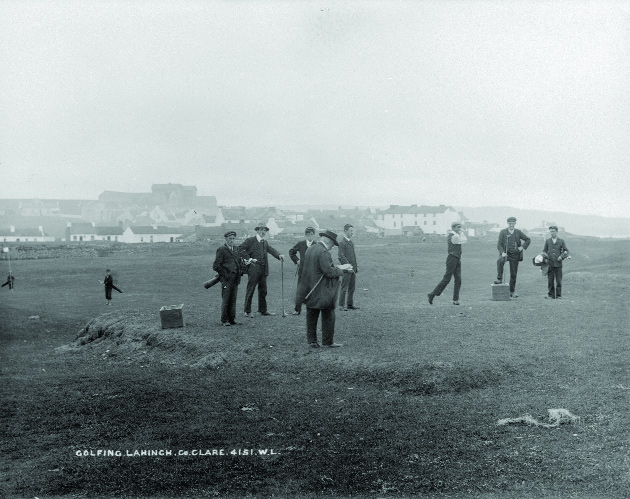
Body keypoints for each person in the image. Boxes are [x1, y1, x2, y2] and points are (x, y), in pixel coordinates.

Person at [296, 230, 353, 348]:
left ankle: (312, 341)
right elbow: (329, 272)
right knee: (328, 314)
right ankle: (328, 341)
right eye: (332, 244)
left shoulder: (311, 249)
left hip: (309, 288)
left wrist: (335, 267)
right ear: (328, 241)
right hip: (322, 289)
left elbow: (318, 268)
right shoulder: (323, 252)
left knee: (311, 314)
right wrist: (344, 270)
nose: (332, 247)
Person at [239, 223, 285, 317]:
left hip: (263, 269)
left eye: (265, 230)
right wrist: (249, 258)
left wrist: (279, 255)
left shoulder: (264, 242)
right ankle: (247, 311)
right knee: (251, 289)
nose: (263, 232)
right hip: (253, 268)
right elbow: (240, 249)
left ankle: (262, 310)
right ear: (257, 230)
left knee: (263, 290)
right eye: (261, 230)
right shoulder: (250, 240)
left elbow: (270, 250)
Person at [427, 222, 467, 306]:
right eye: (458, 227)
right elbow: (463, 240)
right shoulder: (453, 235)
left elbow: (464, 239)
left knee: (458, 280)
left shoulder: (456, 234)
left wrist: (461, 233)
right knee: (447, 279)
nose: (460, 228)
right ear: (453, 228)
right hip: (452, 258)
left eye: (460, 227)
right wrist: (461, 233)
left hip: (457, 258)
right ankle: (432, 294)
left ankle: (455, 299)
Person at [212, 231, 246, 326]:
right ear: (226, 239)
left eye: (233, 239)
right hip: (227, 279)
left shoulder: (236, 249)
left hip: (235, 278)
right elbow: (216, 266)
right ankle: (224, 320)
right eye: (230, 239)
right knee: (226, 299)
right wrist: (225, 274)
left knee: (233, 299)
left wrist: (241, 270)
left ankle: (232, 319)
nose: (232, 240)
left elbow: (238, 261)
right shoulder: (221, 250)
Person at [493, 216, 531, 298]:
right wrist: (502, 252)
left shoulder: (518, 232)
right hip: (506, 254)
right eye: (510, 223)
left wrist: (522, 247)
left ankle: (511, 291)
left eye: (513, 223)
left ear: (515, 223)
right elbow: (499, 244)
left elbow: (528, 240)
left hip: (515, 255)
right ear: (508, 223)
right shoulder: (503, 232)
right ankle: (499, 279)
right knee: (500, 261)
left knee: (513, 274)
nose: (511, 225)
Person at [288, 226, 317, 315]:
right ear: (305, 235)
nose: (310, 236)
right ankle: (297, 309)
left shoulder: (316, 245)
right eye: (308, 234)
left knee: (313, 291)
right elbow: (291, 252)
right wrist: (297, 260)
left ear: (314, 235)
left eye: (311, 234)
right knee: (300, 291)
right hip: (302, 272)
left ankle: (313, 310)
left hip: (313, 273)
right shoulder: (301, 244)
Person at [543, 226, 570, 299]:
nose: (552, 233)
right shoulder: (548, 241)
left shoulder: (561, 241)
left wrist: (561, 256)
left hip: (558, 264)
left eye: (553, 231)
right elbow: (544, 251)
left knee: (558, 281)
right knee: (550, 281)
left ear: (557, 232)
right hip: (550, 264)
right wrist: (545, 258)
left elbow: (566, 251)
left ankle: (558, 295)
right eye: (550, 231)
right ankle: (551, 295)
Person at [338, 223, 360, 311]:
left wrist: (355, 266)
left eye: (353, 231)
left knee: (352, 287)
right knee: (344, 287)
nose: (352, 233)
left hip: (353, 268)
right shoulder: (342, 242)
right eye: (350, 231)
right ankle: (341, 305)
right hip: (347, 269)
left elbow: (353, 256)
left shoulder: (351, 242)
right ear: (345, 231)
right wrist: (348, 267)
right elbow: (341, 256)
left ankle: (350, 304)